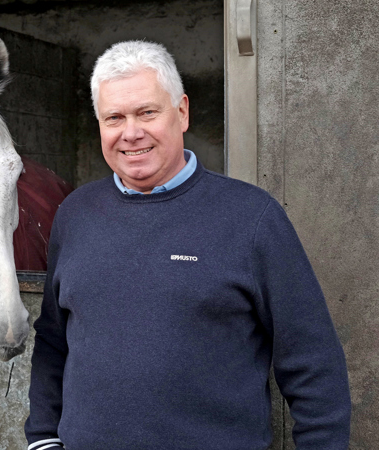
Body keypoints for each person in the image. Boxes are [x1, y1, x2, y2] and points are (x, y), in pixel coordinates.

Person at [25, 41, 350, 449]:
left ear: (181, 112)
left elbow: (313, 361)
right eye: (114, 118)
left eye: (147, 112)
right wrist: (42, 439)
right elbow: (54, 340)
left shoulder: (252, 218)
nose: (131, 133)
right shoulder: (74, 215)